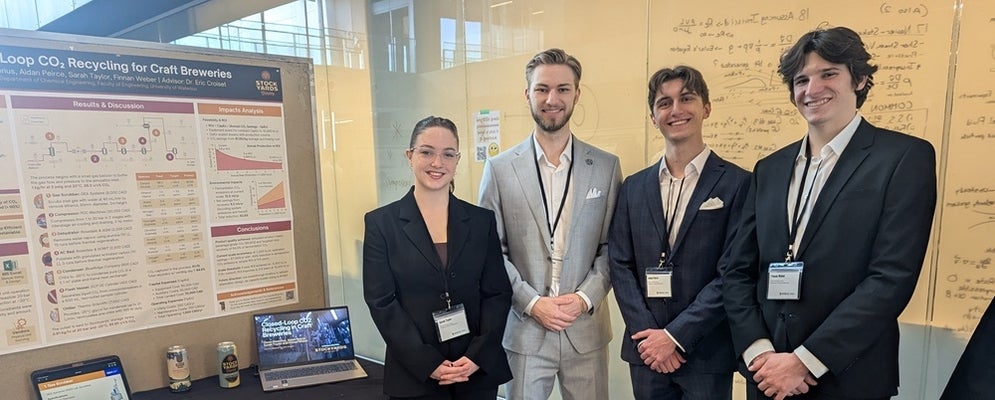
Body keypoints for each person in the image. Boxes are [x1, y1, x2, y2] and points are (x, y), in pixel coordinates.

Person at [721, 27, 937, 400]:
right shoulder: (769, 169)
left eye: (828, 73)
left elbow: (891, 278)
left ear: (860, 79)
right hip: (768, 377)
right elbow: (737, 270)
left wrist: (804, 362)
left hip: (848, 377)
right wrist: (759, 352)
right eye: (801, 80)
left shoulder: (903, 158)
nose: (812, 88)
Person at [478, 48, 621, 400]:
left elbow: (613, 248)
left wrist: (583, 298)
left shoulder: (606, 167)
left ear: (577, 94)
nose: (551, 99)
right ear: (527, 94)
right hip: (525, 329)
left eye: (562, 89)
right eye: (541, 89)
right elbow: (489, 252)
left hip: (585, 329)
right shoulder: (499, 169)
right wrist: (531, 302)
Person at [608, 65, 750, 400]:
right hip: (646, 352)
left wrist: (674, 337)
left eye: (686, 98)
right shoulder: (633, 187)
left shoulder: (738, 183)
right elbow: (620, 264)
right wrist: (650, 336)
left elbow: (732, 272)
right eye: (664, 103)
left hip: (705, 351)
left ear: (706, 108)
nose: (676, 110)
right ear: (653, 117)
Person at [364, 116, 513, 399]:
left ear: (457, 161)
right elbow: (381, 302)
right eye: (426, 152)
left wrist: (478, 355)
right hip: (415, 375)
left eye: (448, 154)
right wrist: (426, 362)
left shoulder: (481, 221)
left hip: (474, 371)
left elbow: (497, 293)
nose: (437, 162)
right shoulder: (381, 224)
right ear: (410, 156)